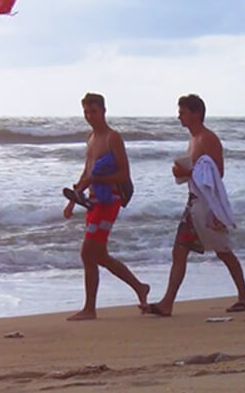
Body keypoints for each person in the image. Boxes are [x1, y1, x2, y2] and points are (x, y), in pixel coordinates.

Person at [148, 94, 245, 316]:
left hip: (206, 206)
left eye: (183, 112)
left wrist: (187, 172)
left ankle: (244, 297)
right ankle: (167, 303)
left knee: (223, 251)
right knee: (181, 250)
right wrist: (184, 173)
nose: (179, 116)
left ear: (196, 113)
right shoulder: (194, 139)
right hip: (194, 203)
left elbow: (218, 172)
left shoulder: (208, 139)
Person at [62, 92, 150, 321]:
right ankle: (140, 288)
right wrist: (73, 201)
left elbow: (123, 173)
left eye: (93, 111)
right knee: (99, 255)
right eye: (86, 112)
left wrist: (95, 181)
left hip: (110, 200)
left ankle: (90, 309)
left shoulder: (113, 138)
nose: (89, 116)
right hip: (93, 201)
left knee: (87, 252)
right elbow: (86, 173)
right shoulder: (91, 138)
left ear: (103, 111)